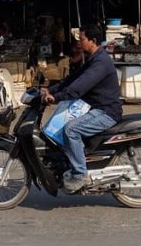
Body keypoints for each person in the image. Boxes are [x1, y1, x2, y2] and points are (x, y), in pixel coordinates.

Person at [42, 24, 123, 192]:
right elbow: (72, 79)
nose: (79, 43)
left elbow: (78, 87)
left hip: (106, 111)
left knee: (71, 130)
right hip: (93, 108)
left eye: (82, 39)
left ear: (93, 41)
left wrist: (56, 97)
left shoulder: (100, 62)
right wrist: (51, 89)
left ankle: (80, 175)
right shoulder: (93, 58)